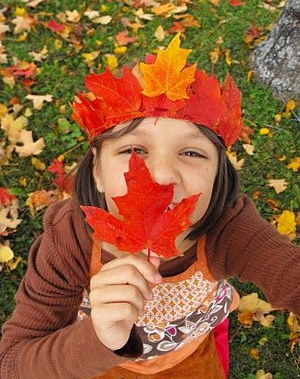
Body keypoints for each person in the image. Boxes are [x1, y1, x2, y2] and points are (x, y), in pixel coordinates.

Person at [0, 33, 299, 379]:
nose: (161, 175)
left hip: (189, 358)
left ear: (219, 175)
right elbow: (13, 364)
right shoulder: (69, 236)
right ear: (96, 169)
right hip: (94, 360)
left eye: (191, 152)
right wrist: (99, 337)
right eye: (133, 150)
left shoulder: (228, 229)